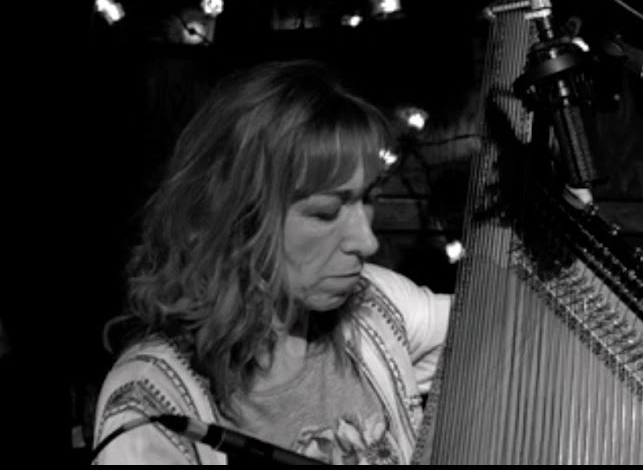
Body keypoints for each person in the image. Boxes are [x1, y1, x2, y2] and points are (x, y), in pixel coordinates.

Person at [93, 60, 451, 465]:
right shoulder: (151, 408)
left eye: (367, 198)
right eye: (325, 212)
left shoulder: (375, 308)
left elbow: (507, 325)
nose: (367, 241)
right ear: (238, 218)